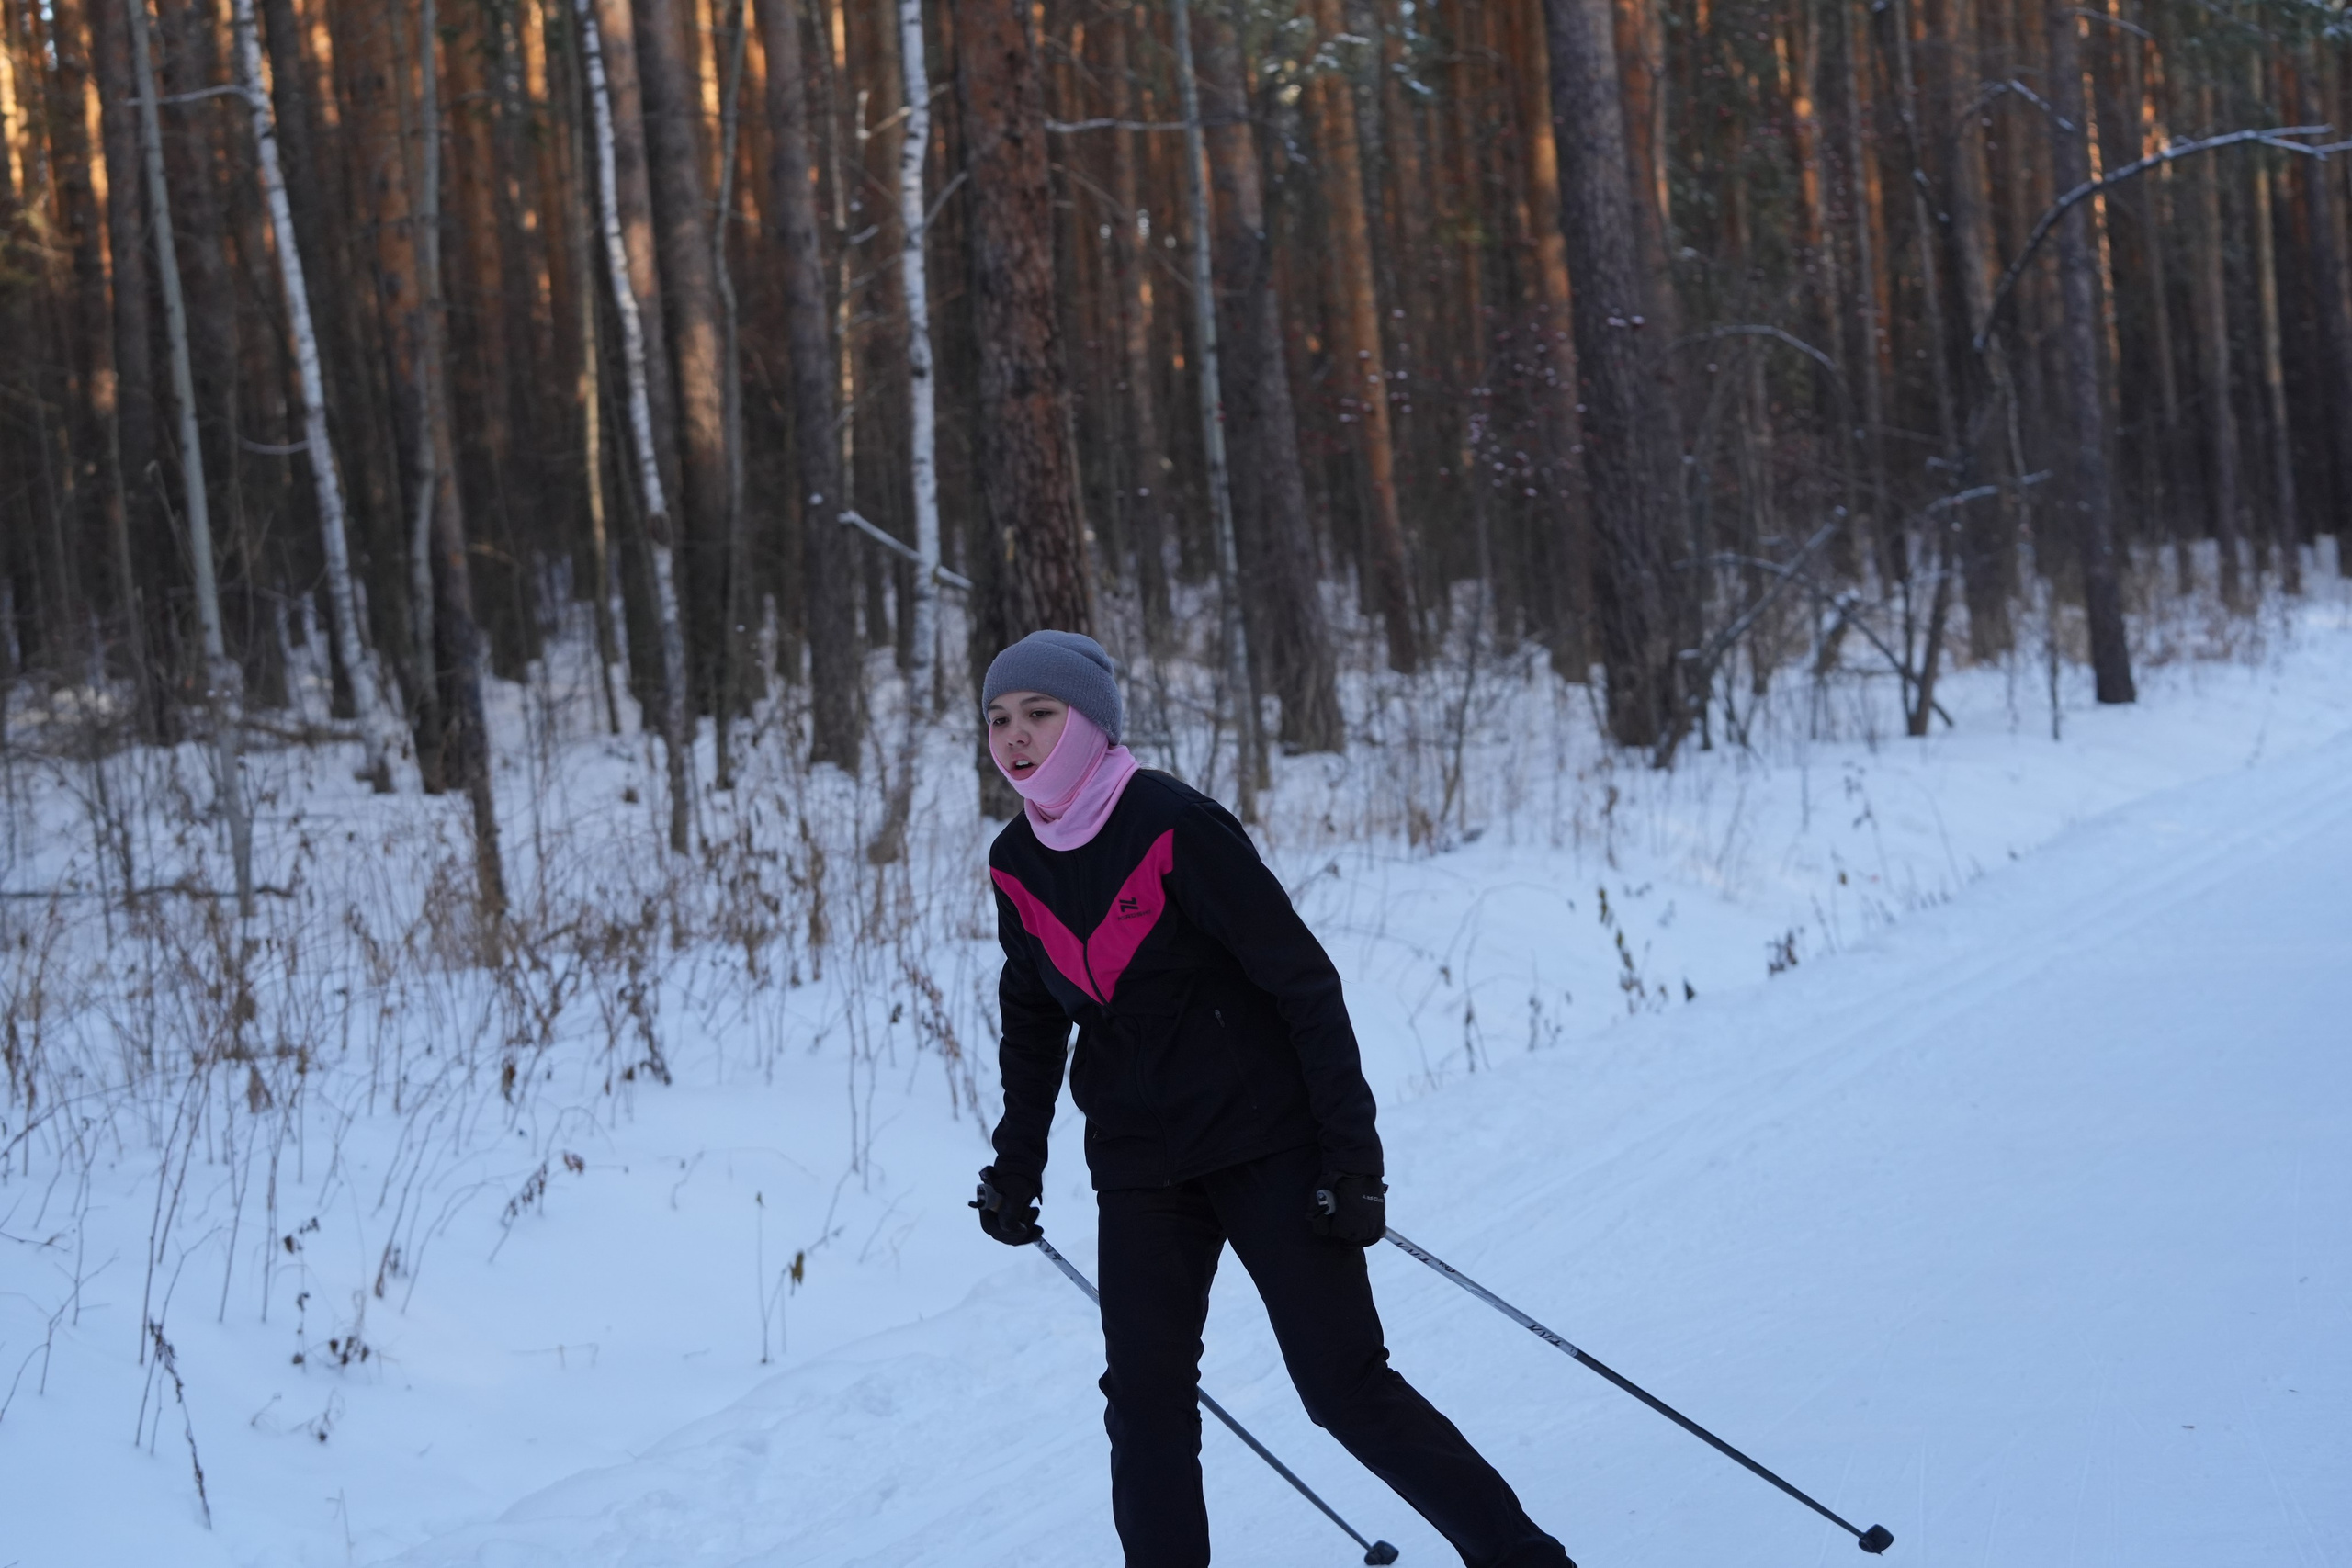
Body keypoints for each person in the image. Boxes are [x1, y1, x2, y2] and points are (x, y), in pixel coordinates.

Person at [969, 629, 1574, 1568]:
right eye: (999, 718)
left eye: (1039, 714)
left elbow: (1303, 985)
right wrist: (1016, 1165)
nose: (1015, 736)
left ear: (1090, 723)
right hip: (1139, 1165)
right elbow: (1033, 1019)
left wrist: (1352, 1158)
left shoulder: (1174, 825)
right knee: (1144, 1402)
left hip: (1266, 1147)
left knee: (1343, 1388)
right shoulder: (1016, 860)